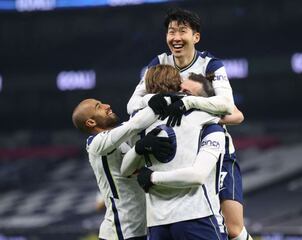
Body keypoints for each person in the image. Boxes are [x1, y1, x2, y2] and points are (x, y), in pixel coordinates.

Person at [127, 8, 252, 240]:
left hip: (214, 151)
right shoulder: (158, 64)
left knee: (233, 228)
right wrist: (155, 100)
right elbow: (132, 104)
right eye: (171, 31)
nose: (175, 37)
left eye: (182, 31)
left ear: (196, 37)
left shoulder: (210, 65)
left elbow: (230, 107)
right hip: (180, 152)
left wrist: (188, 105)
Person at [121, 64, 226, 240]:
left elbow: (125, 170)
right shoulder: (197, 113)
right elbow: (232, 111)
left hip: (175, 219)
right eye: (181, 87)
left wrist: (148, 169)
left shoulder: (139, 121)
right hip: (180, 217)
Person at [72, 98, 174, 240]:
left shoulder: (123, 137)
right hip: (120, 232)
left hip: (140, 229)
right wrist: (164, 101)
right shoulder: (95, 143)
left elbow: (134, 123)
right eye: (98, 107)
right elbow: (134, 124)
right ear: (91, 122)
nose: (107, 105)